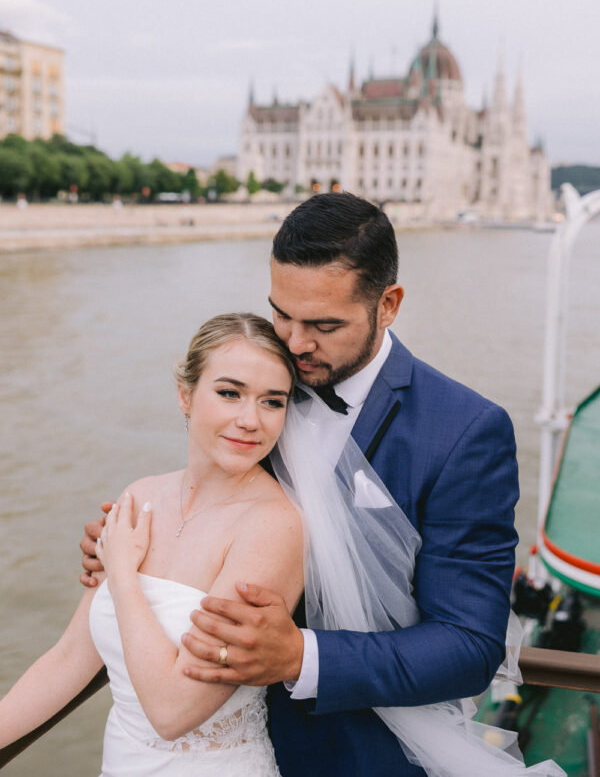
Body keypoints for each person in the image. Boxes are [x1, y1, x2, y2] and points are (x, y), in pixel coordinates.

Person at [78, 194, 534, 775]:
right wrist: (126, 550)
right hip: (224, 734)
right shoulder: (261, 385)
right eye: (281, 315)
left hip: (361, 751)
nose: (293, 344)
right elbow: (211, 500)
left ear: (388, 304)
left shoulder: (465, 431)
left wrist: (300, 655)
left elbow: (469, 647)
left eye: (323, 325)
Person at [0, 314, 304, 776]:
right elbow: (68, 660)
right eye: (229, 393)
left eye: (272, 401)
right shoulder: (140, 497)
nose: (250, 420)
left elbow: (173, 712)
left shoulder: (273, 526)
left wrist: (122, 577)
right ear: (185, 395)